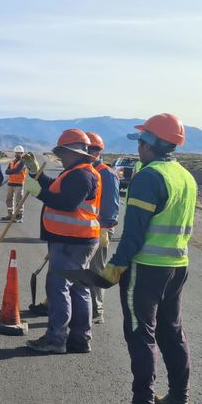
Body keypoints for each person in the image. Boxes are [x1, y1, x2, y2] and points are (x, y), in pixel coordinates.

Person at [100, 114, 195, 404]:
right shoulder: (185, 176)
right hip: (177, 265)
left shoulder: (149, 176)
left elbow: (135, 232)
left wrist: (117, 264)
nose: (138, 147)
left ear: (152, 143)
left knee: (142, 335)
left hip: (146, 268)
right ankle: (177, 403)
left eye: (141, 141)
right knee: (172, 332)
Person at [23, 129, 101, 354]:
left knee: (59, 289)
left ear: (74, 152)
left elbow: (67, 203)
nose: (61, 157)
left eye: (63, 153)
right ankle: (79, 339)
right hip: (77, 240)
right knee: (78, 289)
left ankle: (56, 339)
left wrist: (38, 193)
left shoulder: (81, 174)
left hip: (71, 241)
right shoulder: (76, 172)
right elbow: (57, 189)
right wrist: (37, 174)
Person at [85, 131, 120, 324]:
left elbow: (111, 207)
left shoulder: (107, 174)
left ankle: (96, 310)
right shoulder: (86, 171)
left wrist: (105, 229)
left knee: (96, 268)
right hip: (84, 228)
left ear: (95, 151)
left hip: (101, 228)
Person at [4, 145, 27, 223]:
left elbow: (17, 171)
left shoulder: (23, 162)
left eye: (19, 153)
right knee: (8, 199)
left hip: (19, 184)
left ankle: (19, 216)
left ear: (22, 153)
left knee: (19, 201)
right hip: (10, 183)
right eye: (16, 153)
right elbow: (6, 171)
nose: (17, 154)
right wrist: (13, 171)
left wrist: (12, 171)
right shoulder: (12, 161)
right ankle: (10, 215)